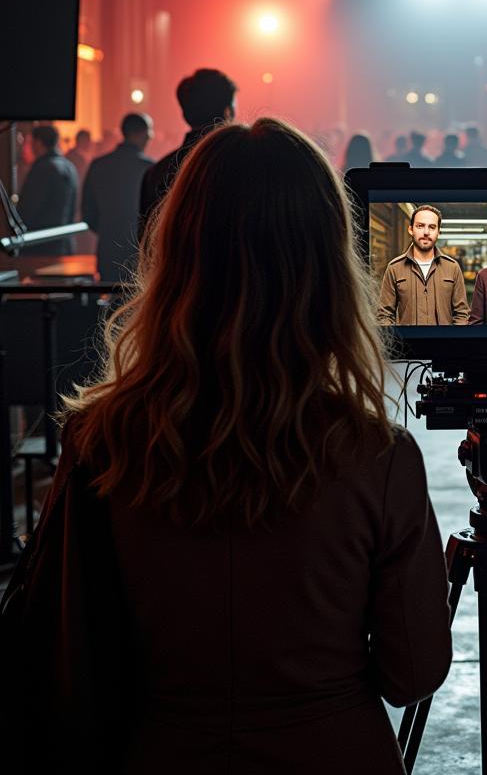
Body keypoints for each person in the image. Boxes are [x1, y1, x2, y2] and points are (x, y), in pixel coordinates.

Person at [57, 118, 452, 773]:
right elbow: (412, 673)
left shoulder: (102, 439)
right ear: (328, 266)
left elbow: (73, 659)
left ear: (178, 255)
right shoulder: (376, 455)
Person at [138, 68, 236, 234]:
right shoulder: (240, 163)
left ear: (184, 114)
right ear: (228, 112)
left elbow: (147, 239)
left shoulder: (159, 172)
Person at [81, 113, 154, 282]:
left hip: (108, 248)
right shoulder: (148, 168)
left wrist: (110, 230)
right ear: (141, 133)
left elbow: (88, 212)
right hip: (139, 251)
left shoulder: (98, 165)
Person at [376, 205, 469, 325]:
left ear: (438, 232)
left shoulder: (452, 268)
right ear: (411, 230)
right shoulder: (394, 268)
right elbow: (384, 315)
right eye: (420, 226)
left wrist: (451, 341)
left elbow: (461, 314)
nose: (426, 232)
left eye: (432, 227)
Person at [17, 124, 79, 255]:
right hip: (64, 243)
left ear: (38, 143)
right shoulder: (69, 167)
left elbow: (28, 209)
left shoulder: (42, 168)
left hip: (41, 247)